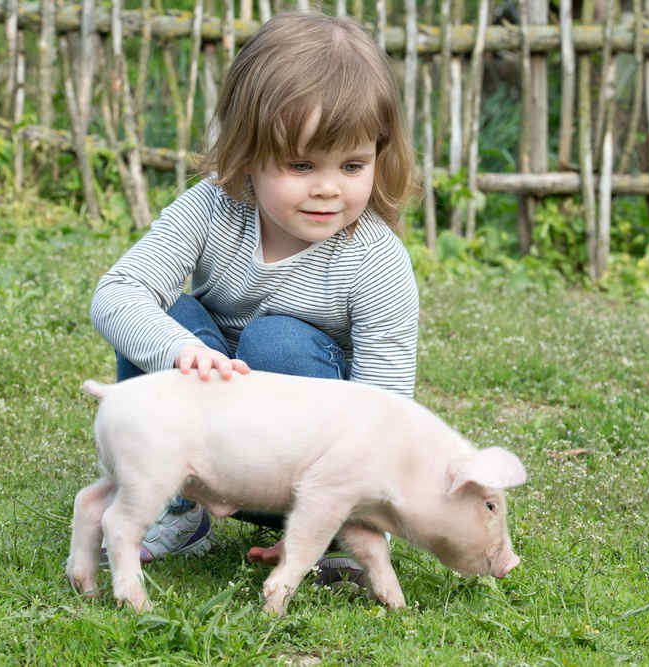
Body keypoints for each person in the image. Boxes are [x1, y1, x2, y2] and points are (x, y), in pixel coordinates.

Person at [89, 11, 419, 579]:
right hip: (199, 437)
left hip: (293, 472)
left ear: (380, 156)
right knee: (160, 310)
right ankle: (176, 507)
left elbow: (385, 411)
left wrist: (350, 523)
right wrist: (178, 351)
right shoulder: (211, 208)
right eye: (300, 164)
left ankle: (324, 533)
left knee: (279, 340)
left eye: (353, 164)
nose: (328, 187)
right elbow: (116, 292)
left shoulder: (376, 260)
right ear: (248, 150)